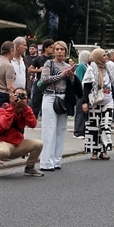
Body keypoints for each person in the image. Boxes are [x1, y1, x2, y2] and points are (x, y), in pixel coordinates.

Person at [0, 87, 44, 178]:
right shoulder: (4, 108)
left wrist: (25, 108)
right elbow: (5, 125)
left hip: (18, 145)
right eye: (17, 95)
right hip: (4, 144)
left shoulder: (26, 110)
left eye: (23, 96)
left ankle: (30, 168)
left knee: (38, 144)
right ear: (11, 97)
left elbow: (32, 124)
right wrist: (12, 106)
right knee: (3, 151)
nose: (20, 98)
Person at [38, 40, 75, 171]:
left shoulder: (67, 65)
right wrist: (61, 75)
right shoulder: (49, 63)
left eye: (62, 49)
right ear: (53, 51)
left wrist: (71, 76)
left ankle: (56, 160)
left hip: (63, 97)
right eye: (57, 49)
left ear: (66, 51)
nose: (59, 51)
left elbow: (71, 84)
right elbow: (44, 79)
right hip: (50, 96)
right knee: (49, 129)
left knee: (61, 129)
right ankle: (46, 162)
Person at [82, 48, 114, 160]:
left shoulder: (109, 68)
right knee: (93, 127)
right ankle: (94, 151)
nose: (106, 57)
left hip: (108, 100)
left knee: (106, 126)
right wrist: (84, 102)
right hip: (95, 101)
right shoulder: (91, 69)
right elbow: (86, 86)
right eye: (103, 55)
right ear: (98, 58)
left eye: (106, 55)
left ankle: (104, 150)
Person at [28, 38, 52, 118]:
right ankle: (33, 119)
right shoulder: (39, 58)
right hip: (39, 84)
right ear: (46, 48)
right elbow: (30, 69)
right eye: (51, 47)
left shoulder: (53, 59)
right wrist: (39, 70)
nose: (52, 49)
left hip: (51, 84)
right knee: (36, 103)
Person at [73, 49, 91, 139]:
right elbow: (79, 79)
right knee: (80, 111)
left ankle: (82, 130)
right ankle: (78, 131)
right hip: (81, 91)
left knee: (84, 112)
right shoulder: (80, 66)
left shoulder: (86, 65)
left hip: (85, 91)